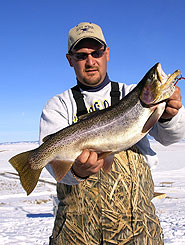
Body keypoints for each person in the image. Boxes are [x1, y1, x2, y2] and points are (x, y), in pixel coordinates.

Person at [39, 22, 185, 245]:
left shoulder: (130, 93)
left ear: (106, 54)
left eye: (96, 53)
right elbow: (54, 166)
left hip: (140, 233)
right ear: (70, 60)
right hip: (77, 236)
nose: (90, 61)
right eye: (81, 55)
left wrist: (168, 117)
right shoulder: (59, 106)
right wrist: (77, 171)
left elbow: (170, 137)